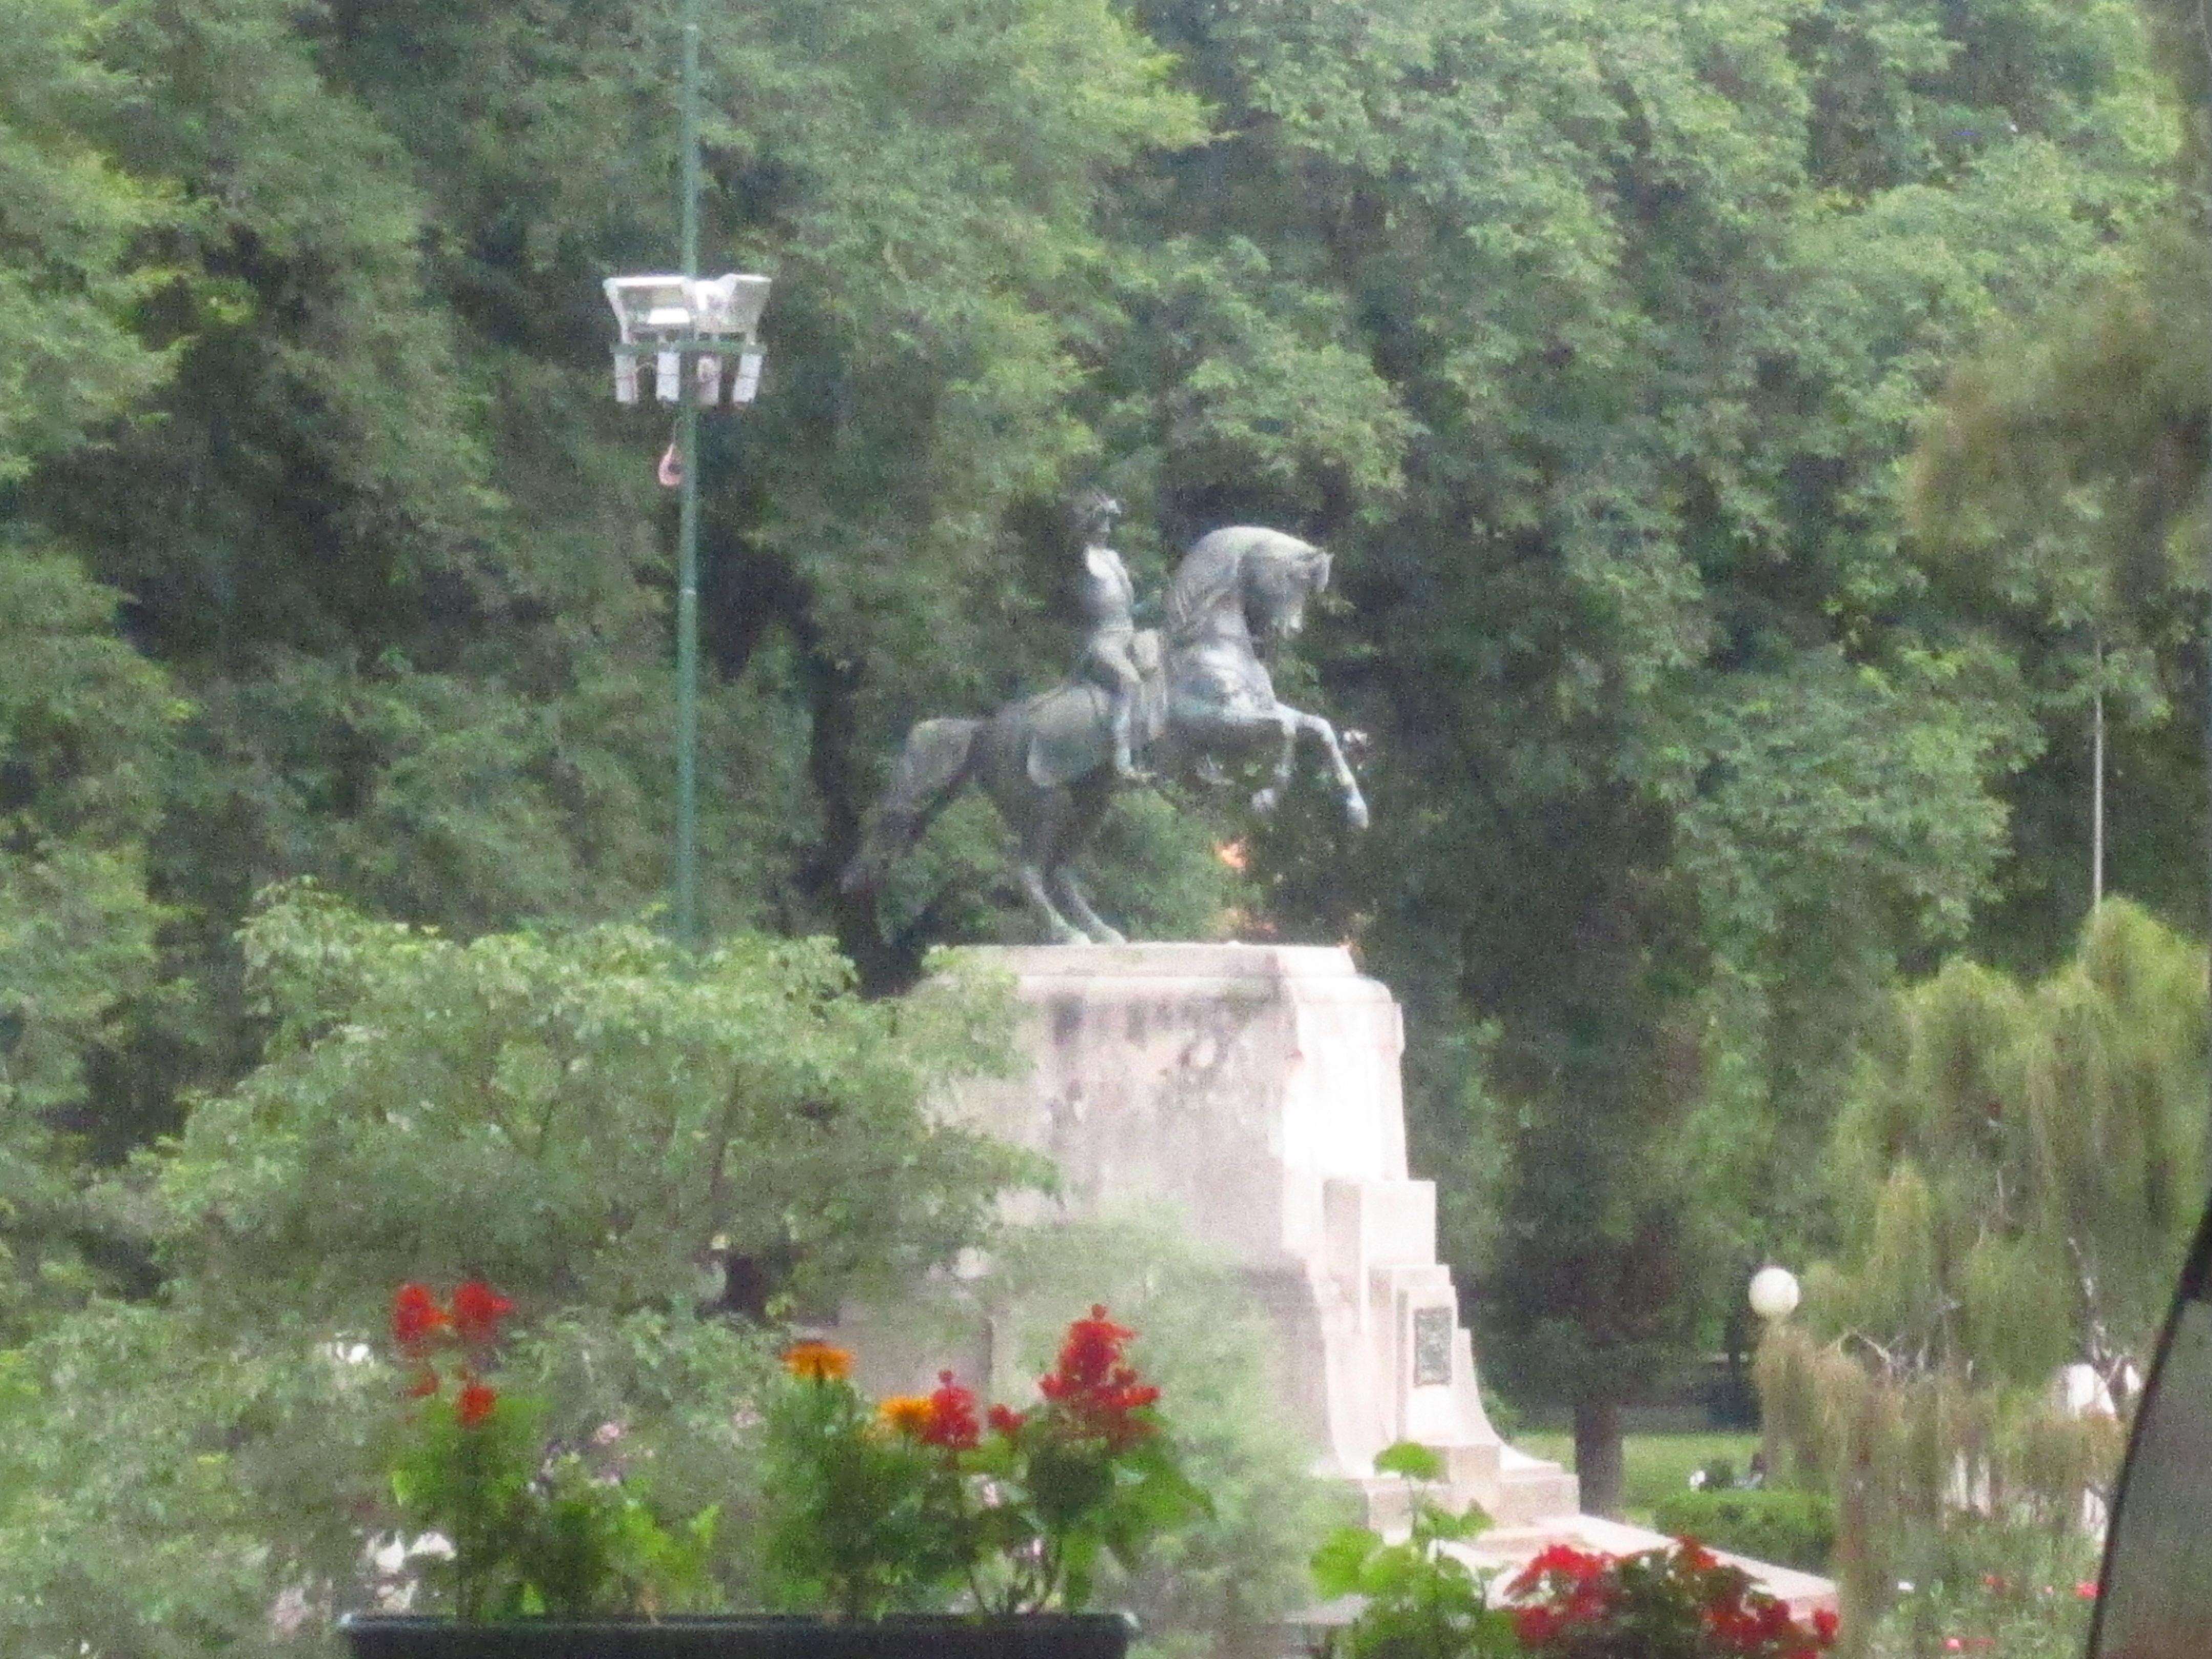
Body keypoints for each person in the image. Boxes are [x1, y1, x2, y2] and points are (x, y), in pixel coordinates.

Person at [1072, 492, 1149, 780]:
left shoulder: (1113, 558)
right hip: (1103, 639)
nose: (1107, 529)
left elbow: (1124, 605)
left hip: (1130, 632)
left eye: (1108, 523)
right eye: (1101, 523)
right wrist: (1095, 511)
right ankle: (1122, 760)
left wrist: (1151, 604)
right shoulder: (1083, 558)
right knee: (1130, 680)